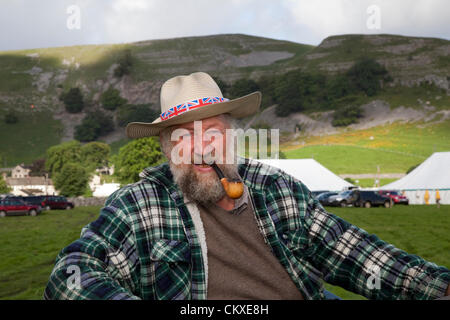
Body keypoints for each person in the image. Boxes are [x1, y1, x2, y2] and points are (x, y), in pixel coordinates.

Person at [44, 72, 450, 300]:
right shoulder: (139, 206)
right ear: (168, 148)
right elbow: (69, 276)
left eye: (214, 133)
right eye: (185, 136)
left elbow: (358, 254)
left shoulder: (276, 189)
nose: (202, 148)